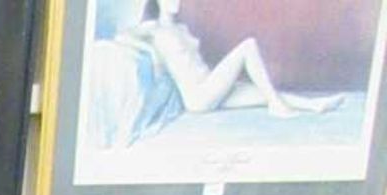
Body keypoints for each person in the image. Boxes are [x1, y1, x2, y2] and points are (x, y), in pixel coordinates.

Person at [136, 0, 343, 119]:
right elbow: (123, 38)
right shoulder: (153, 30)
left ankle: (314, 105)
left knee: (265, 92)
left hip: (212, 87)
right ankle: (277, 106)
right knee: (248, 46)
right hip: (199, 96)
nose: (175, 2)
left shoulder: (181, 28)